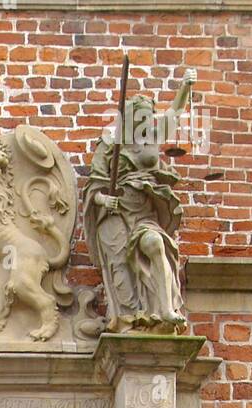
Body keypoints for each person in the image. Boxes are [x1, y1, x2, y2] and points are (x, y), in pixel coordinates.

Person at [83, 70, 196, 333]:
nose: (146, 122)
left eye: (148, 117)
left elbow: (174, 116)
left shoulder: (151, 139)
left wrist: (185, 87)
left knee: (155, 244)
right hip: (116, 214)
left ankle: (164, 308)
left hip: (144, 211)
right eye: (141, 117)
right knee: (121, 267)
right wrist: (104, 199)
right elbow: (94, 185)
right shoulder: (111, 144)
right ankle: (130, 319)